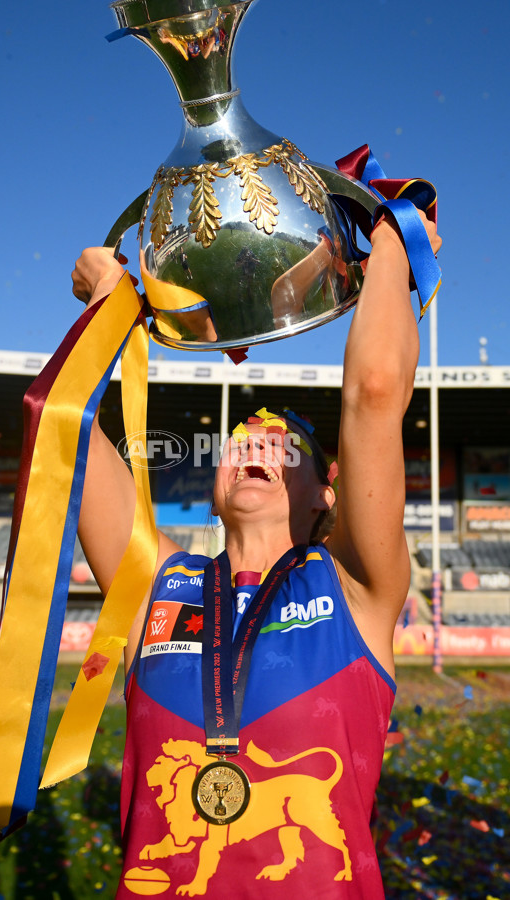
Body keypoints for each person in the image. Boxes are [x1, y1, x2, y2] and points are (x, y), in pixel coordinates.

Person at [71, 210, 441, 898]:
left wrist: (390, 239)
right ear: (212, 488)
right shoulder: (158, 583)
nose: (257, 443)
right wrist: (105, 305)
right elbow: (67, 431)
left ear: (326, 496)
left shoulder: (356, 586)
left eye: (285, 443)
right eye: (242, 436)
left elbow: (375, 396)